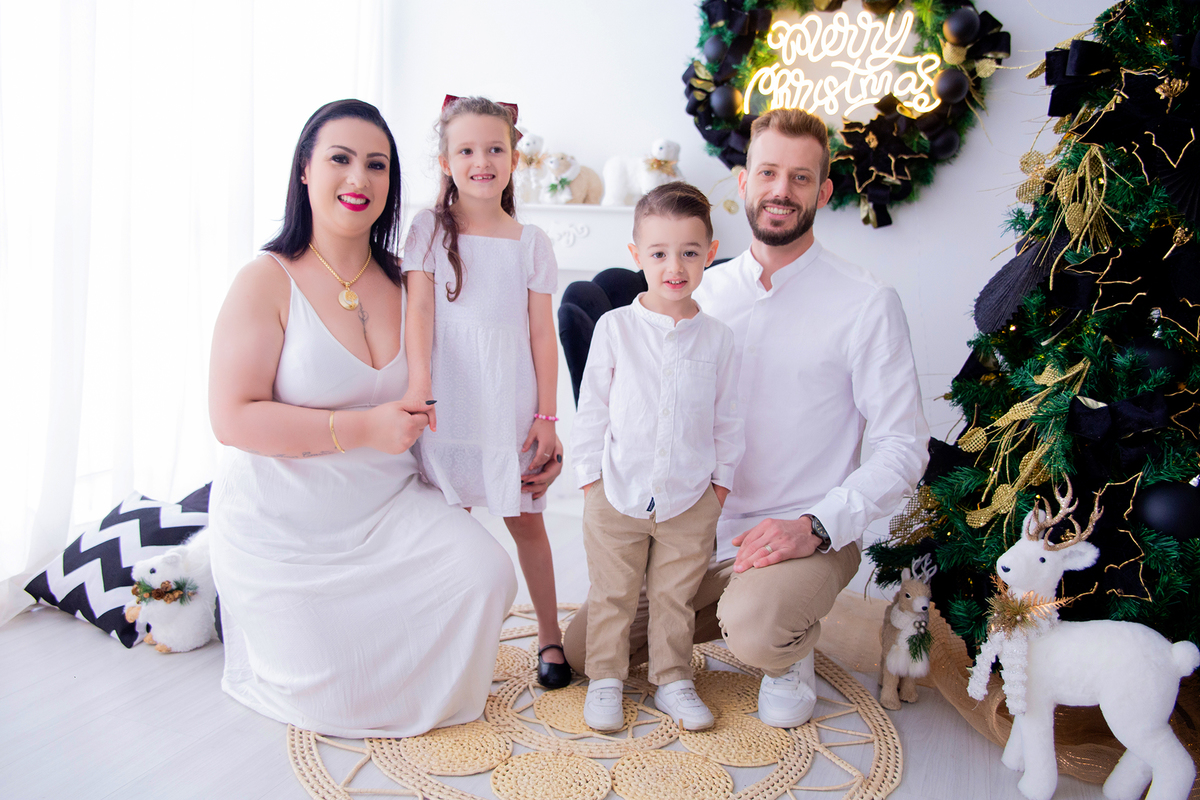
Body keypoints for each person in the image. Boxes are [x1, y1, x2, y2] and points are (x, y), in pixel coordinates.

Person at [563, 108, 930, 728]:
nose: (781, 190)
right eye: (768, 172)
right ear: (743, 183)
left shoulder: (866, 303)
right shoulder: (696, 289)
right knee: (584, 649)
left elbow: (903, 446)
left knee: (756, 632)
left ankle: (785, 647)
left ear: (823, 191)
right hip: (690, 527)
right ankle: (730, 617)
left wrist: (817, 525)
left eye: (800, 177)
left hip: (800, 536)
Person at [206, 99, 550, 738]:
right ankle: (258, 615)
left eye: (377, 165)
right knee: (336, 688)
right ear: (305, 171)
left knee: (487, 576)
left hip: (388, 508)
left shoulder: (406, 279)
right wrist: (361, 428)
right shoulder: (265, 279)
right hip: (286, 528)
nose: (359, 179)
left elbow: (477, 381)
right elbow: (231, 417)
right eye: (340, 159)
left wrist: (529, 448)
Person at [401, 96, 569, 689]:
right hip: (450, 400)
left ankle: (550, 636)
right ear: (445, 160)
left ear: (514, 157)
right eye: (466, 149)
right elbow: (418, 310)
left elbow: (542, 335)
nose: (482, 160)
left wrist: (547, 415)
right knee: (453, 527)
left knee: (527, 522)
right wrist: (420, 385)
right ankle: (451, 638)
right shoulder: (426, 229)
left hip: (510, 406)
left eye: (495, 148)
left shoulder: (530, 241)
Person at [572, 183, 744, 732]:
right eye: (660, 253)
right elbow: (591, 409)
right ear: (637, 256)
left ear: (709, 255)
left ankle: (673, 680)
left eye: (690, 252)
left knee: (675, 596)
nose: (675, 266)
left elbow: (728, 420)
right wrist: (588, 480)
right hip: (616, 490)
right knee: (614, 592)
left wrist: (720, 486)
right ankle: (606, 679)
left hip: (691, 495)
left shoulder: (718, 340)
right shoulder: (616, 329)